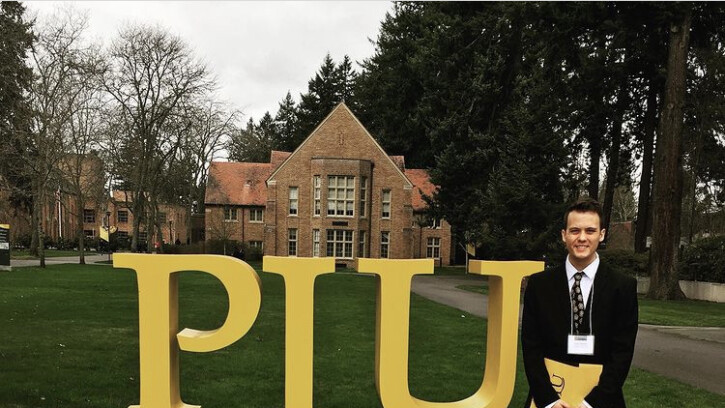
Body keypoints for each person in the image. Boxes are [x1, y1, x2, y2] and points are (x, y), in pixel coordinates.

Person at [521, 198, 638, 408]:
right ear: (564, 235)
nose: (582, 238)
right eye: (575, 231)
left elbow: (622, 353)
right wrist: (550, 400)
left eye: (590, 231)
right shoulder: (539, 285)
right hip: (549, 400)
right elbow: (531, 348)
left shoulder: (622, 287)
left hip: (603, 401)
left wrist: (591, 403)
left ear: (602, 234)